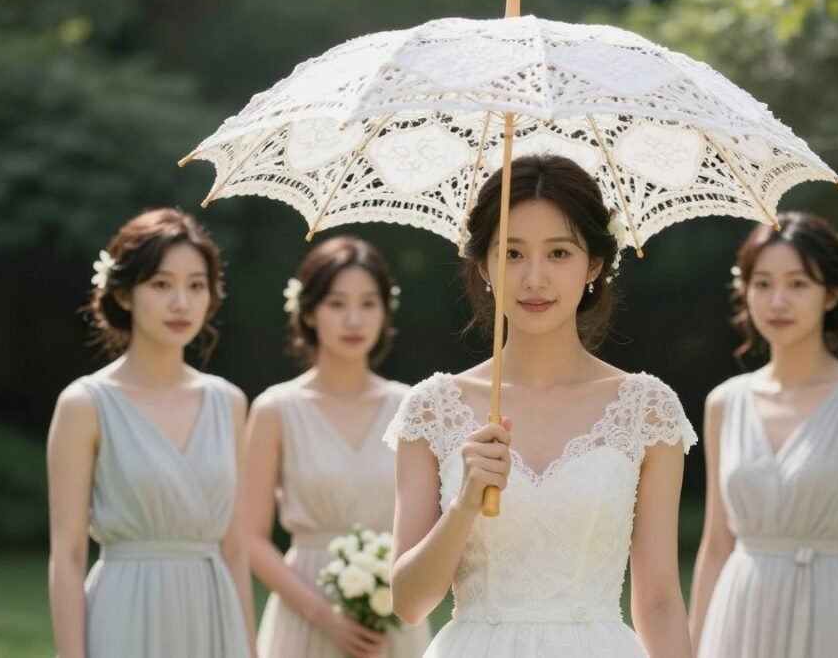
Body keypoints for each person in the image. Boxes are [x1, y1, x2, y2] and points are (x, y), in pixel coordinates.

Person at [385, 154, 697, 658]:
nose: (533, 279)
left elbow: (659, 601)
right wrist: (465, 501)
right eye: (511, 253)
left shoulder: (647, 409)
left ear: (594, 264)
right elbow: (409, 602)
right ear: (483, 263)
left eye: (558, 253)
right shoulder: (433, 408)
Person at [688, 211, 838, 658]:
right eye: (762, 284)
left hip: (832, 608)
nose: (777, 301)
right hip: (739, 611)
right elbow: (715, 543)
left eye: (798, 283)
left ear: (832, 294)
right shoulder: (724, 403)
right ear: (744, 291)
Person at [47, 208, 255, 658]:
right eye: (161, 284)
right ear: (123, 294)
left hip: (213, 613)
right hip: (124, 610)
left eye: (196, 285)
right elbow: (66, 554)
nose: (181, 302)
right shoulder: (85, 404)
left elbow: (236, 549)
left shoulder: (229, 403)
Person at [248, 236, 431, 658]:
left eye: (368, 304)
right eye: (336, 303)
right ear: (308, 311)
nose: (354, 319)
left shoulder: (412, 407)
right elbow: (250, 539)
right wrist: (323, 614)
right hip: (303, 612)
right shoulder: (276, 409)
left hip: (391, 614)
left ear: (386, 312)